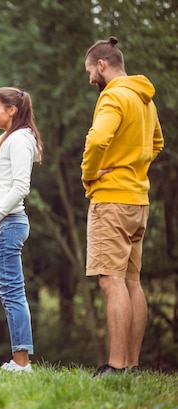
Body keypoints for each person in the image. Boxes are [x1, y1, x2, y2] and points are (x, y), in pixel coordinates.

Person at [81, 36, 164, 377]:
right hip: (138, 200)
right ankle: (132, 365)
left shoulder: (113, 95)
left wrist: (90, 174)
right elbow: (156, 142)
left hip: (112, 198)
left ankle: (115, 366)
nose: (89, 80)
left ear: (102, 64)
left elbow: (98, 139)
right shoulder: (145, 99)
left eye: (89, 71)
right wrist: (134, 166)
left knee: (110, 281)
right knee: (132, 282)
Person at [0, 87, 43, 372]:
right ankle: (19, 360)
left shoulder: (19, 140)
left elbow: (21, 186)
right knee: (8, 293)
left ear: (12, 110)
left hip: (5, 224)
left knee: (12, 294)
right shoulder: (8, 138)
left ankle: (22, 363)